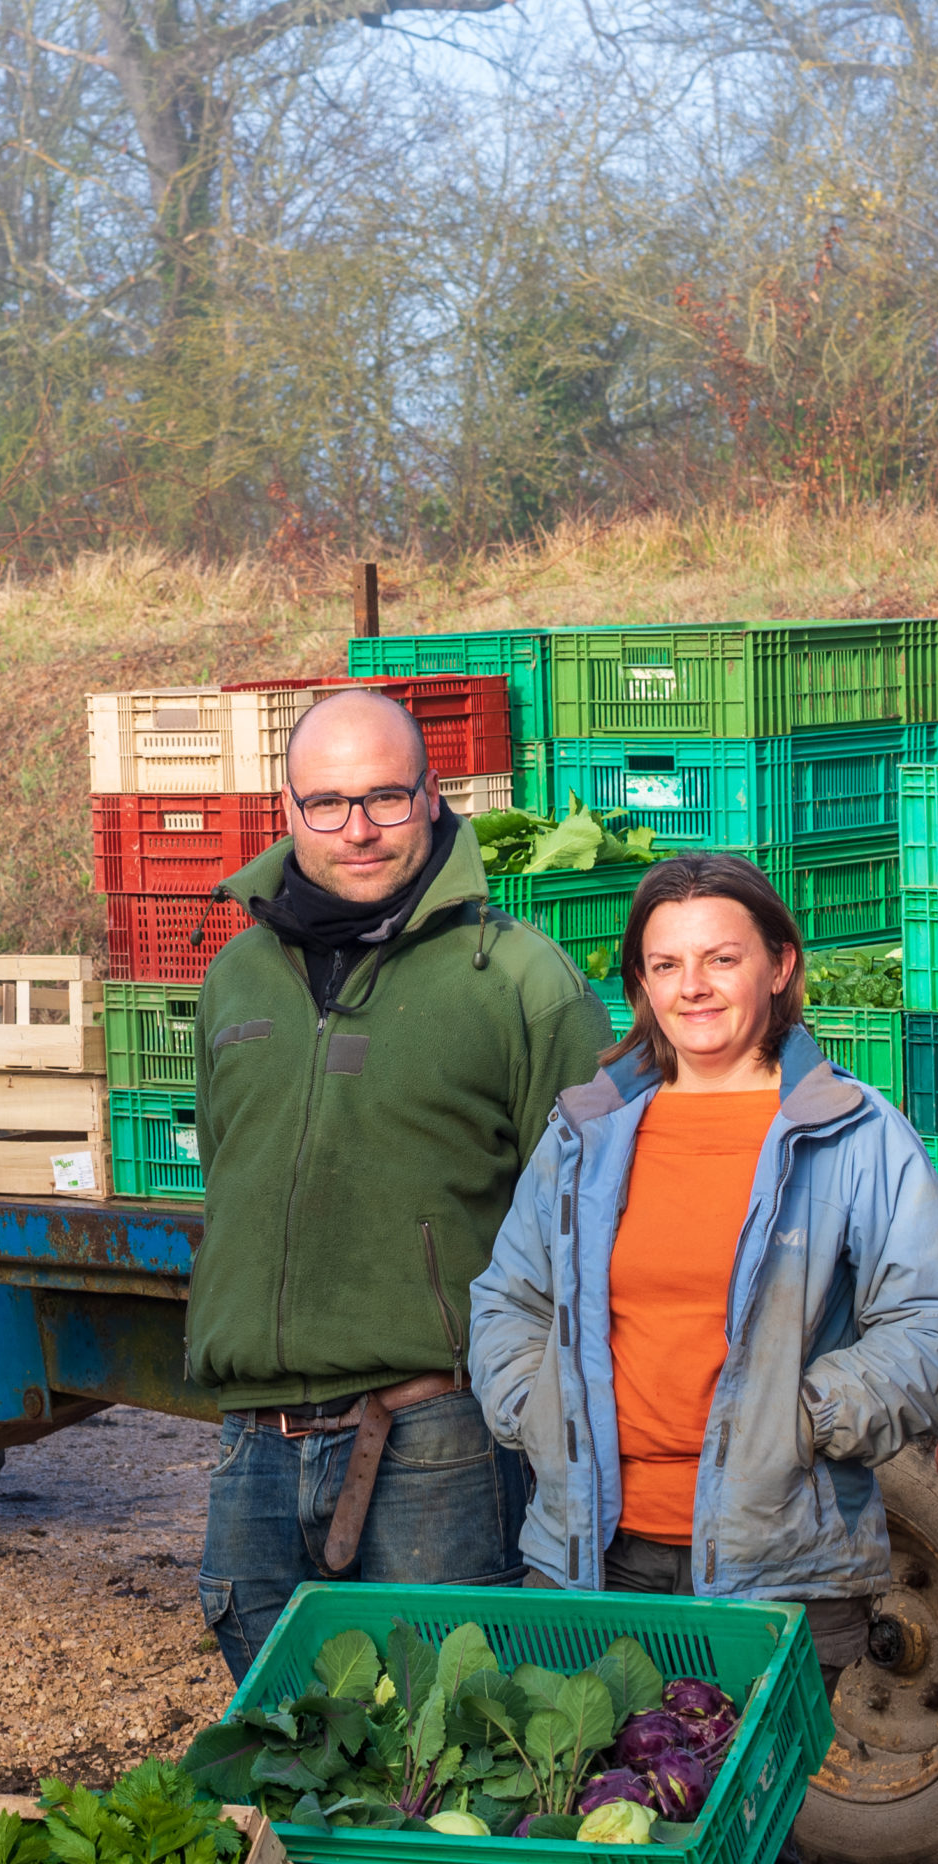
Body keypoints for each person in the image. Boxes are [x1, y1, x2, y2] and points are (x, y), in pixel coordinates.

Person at [470, 855, 938, 1864]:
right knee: (599, 1840)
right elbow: (506, 1295)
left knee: (748, 1851)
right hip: (596, 1554)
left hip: (777, 1559)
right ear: (640, 986)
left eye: (722, 958)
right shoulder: (588, 1129)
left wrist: (806, 1415)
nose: (693, 986)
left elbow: (921, 1324)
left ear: (779, 967)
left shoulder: (852, 1132)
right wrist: (532, 1409)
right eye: (665, 964)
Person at [188, 688, 611, 1674]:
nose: (359, 828)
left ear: (431, 797)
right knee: (284, 1733)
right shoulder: (235, 976)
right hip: (254, 1436)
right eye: (328, 802)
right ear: (285, 811)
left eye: (385, 796)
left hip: (434, 1429)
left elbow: (588, 1226)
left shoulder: (517, 980)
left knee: (450, 1739)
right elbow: (227, 1167)